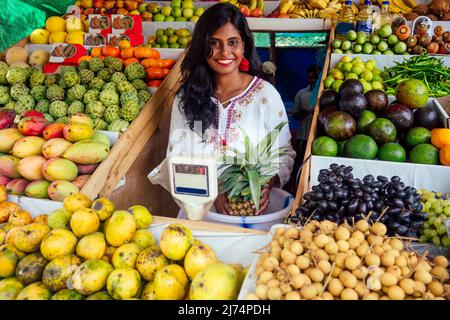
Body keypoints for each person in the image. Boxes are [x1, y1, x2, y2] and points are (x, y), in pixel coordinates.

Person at [165, 3, 295, 215]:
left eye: (232, 42)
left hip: (251, 215)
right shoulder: (187, 98)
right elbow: (175, 157)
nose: (224, 52)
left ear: (244, 45)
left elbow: (285, 153)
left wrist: (266, 183)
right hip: (199, 214)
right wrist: (213, 190)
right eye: (214, 43)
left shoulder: (265, 95)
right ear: (202, 46)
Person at [292, 66, 318, 162]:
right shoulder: (301, 93)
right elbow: (295, 115)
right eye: (311, 77)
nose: (313, 80)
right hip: (303, 137)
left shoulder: (325, 94)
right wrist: (307, 112)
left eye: (316, 77)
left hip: (318, 138)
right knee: (300, 163)